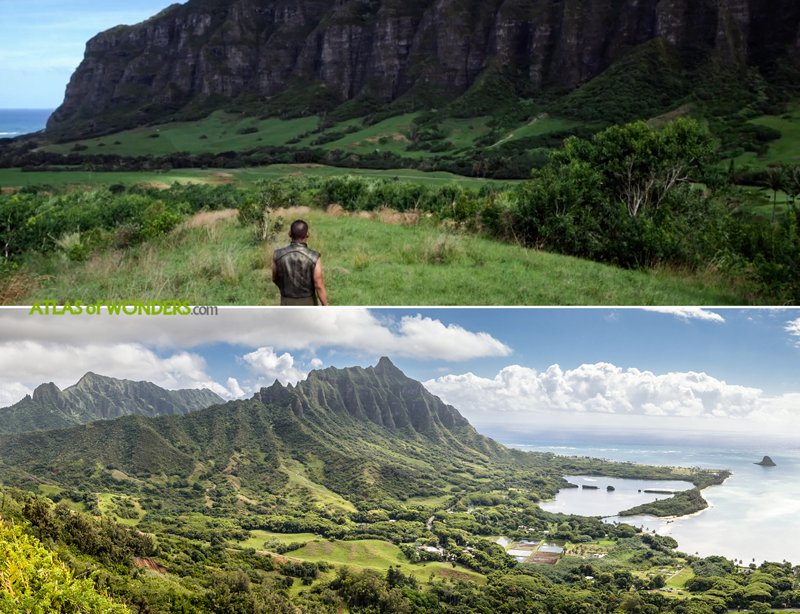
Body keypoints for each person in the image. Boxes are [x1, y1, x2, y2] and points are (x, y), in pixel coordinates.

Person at [272, 219, 329, 306]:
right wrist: (326, 306)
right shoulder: (314, 256)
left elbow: (275, 278)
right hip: (308, 302)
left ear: (289, 234)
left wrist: (285, 290)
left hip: (286, 301)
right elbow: (319, 284)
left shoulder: (277, 255)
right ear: (307, 235)